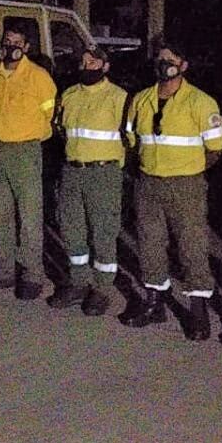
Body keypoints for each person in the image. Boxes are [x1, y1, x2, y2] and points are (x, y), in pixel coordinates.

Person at [121, 40, 222, 338]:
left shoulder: (201, 102)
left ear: (184, 66)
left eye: (171, 58)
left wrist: (189, 169)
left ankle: (198, 310)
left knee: (192, 247)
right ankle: (154, 303)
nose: (164, 62)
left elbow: (216, 147)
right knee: (150, 245)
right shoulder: (141, 99)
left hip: (186, 185)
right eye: (160, 57)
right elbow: (131, 140)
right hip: (148, 183)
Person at [0, 23, 58, 300]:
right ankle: (3, 272)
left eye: (17, 42)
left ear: (27, 47)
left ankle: (33, 275)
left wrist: (26, 134)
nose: (12, 46)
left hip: (25, 152)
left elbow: (49, 115)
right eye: (8, 41)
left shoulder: (38, 76)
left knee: (29, 217)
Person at [46, 46, 130, 316]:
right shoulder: (69, 95)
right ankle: (79, 282)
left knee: (103, 231)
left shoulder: (119, 97)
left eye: (93, 61)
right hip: (72, 172)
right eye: (83, 61)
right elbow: (60, 129)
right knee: (72, 228)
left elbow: (131, 139)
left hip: (103, 174)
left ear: (105, 66)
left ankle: (102, 288)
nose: (87, 65)